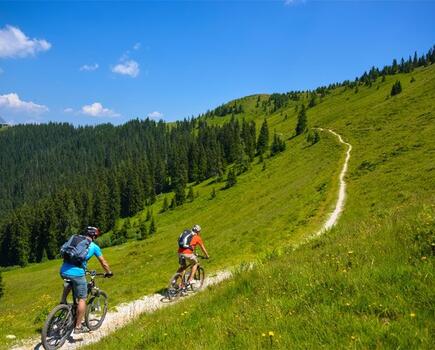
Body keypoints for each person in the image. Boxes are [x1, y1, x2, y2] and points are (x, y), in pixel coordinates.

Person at [59, 226, 113, 334]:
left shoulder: (76, 239)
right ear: (94, 236)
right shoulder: (94, 247)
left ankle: (62, 302)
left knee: (70, 282)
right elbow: (103, 262)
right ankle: (78, 327)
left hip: (63, 270)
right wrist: (109, 272)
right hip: (77, 273)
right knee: (82, 299)